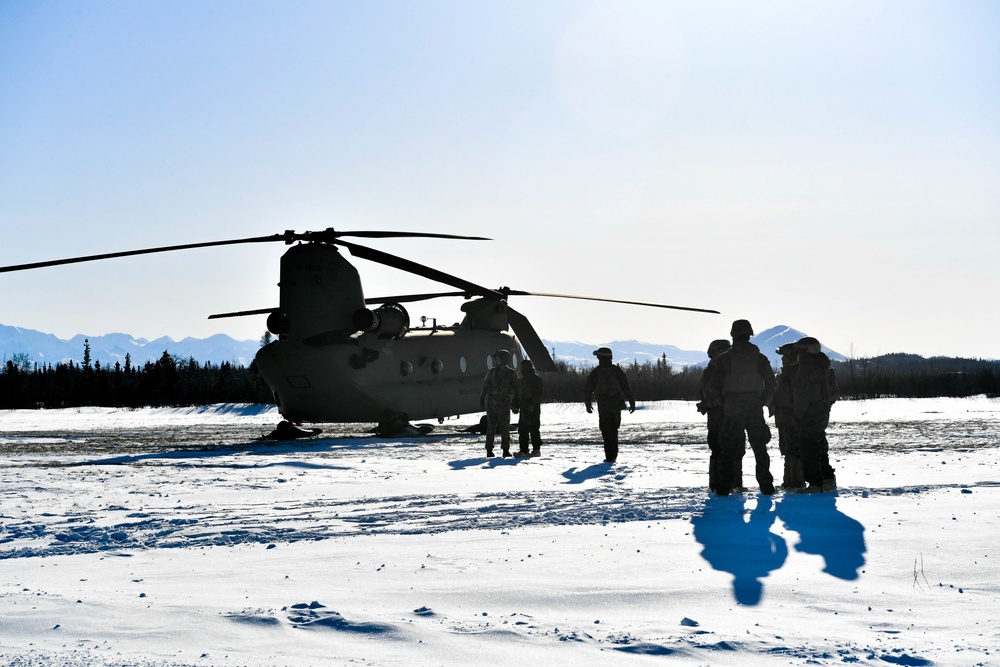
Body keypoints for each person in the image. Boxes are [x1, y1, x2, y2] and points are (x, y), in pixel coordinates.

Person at [708, 319, 777, 496]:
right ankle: (766, 487)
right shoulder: (759, 358)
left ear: (733, 335)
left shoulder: (724, 359)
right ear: (749, 334)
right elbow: (771, 382)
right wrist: (761, 400)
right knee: (760, 449)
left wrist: (725, 403)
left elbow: (713, 386)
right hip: (754, 407)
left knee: (729, 451)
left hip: (732, 409)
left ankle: (724, 488)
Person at [698, 339, 746, 492]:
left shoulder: (729, 369)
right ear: (716, 353)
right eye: (724, 350)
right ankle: (717, 484)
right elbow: (710, 394)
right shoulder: (711, 372)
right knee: (718, 449)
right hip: (718, 416)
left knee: (737, 448)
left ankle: (736, 483)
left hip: (732, 415)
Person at [792, 336, 839, 492]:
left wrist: (798, 416)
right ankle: (828, 479)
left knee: (808, 449)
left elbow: (801, 396)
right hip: (822, 413)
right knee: (820, 446)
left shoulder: (805, 370)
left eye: (800, 351)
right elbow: (834, 393)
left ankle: (814, 483)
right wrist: (824, 407)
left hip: (808, 415)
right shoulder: (826, 369)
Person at [584, 347, 635, 463]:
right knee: (613, 429)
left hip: (604, 405)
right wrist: (631, 402)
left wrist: (588, 403)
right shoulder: (617, 371)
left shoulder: (596, 372)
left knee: (606, 430)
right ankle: (613, 455)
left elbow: (588, 388)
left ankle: (610, 457)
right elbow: (626, 387)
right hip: (616, 404)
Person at [769, 343, 805, 489]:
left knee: (794, 449)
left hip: (792, 417)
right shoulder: (787, 373)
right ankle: (789, 481)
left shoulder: (796, 373)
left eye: (785, 356)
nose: (782, 359)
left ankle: (796, 482)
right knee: (788, 449)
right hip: (784, 418)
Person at [479, 349, 519, 457]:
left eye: (497, 358)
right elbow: (486, 385)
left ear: (502, 359)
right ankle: (489, 450)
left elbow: (517, 388)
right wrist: (482, 397)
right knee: (491, 428)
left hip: (504, 405)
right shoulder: (492, 372)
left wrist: (515, 404)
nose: (495, 361)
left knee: (505, 428)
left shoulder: (511, 373)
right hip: (492, 404)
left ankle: (505, 449)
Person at [514, 359, 544, 458]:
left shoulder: (536, 379)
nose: (521, 370)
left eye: (522, 368)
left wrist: (532, 405)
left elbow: (538, 394)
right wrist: (515, 406)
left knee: (534, 429)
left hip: (533, 408)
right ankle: (524, 450)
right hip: (523, 408)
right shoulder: (521, 380)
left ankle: (536, 450)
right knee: (522, 430)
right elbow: (517, 394)